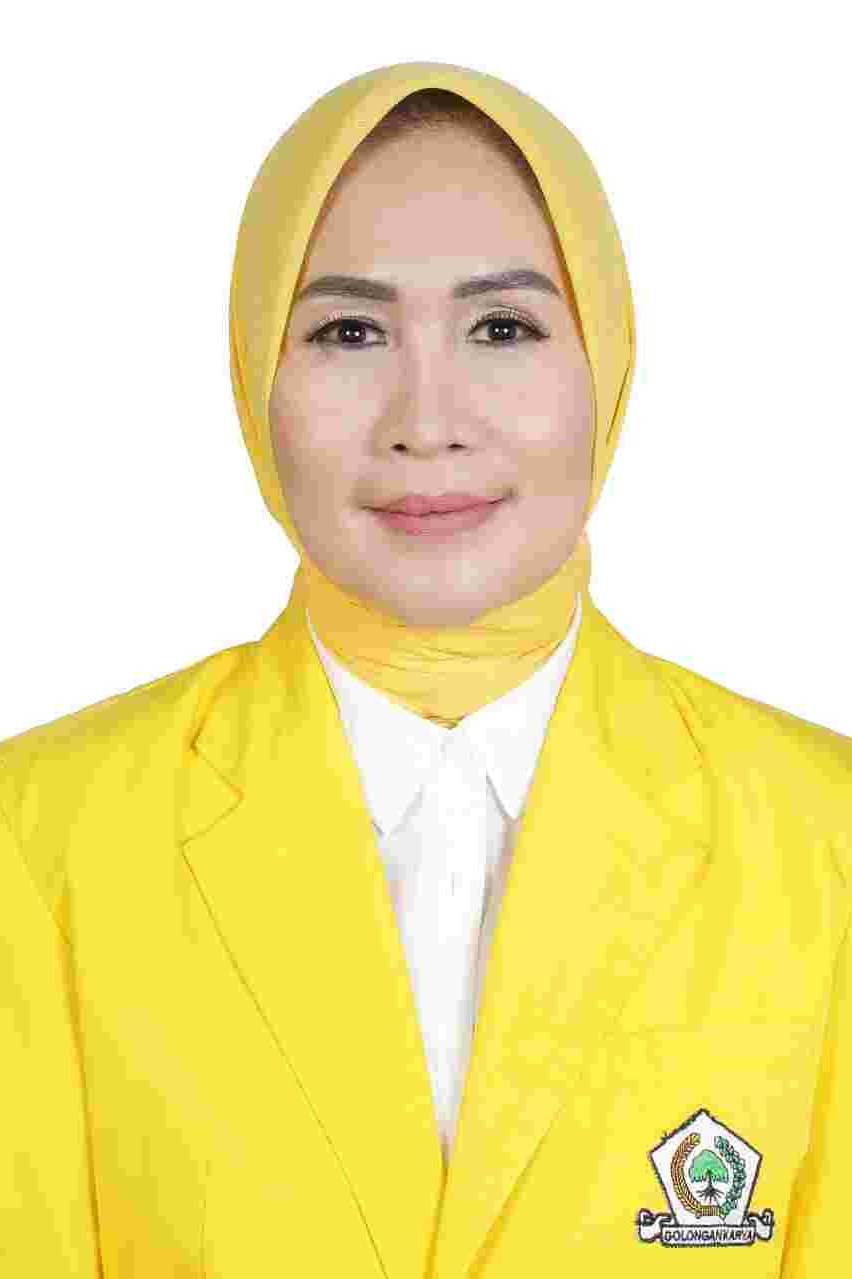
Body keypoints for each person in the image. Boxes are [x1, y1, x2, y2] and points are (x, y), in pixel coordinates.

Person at [0, 60, 848, 1278]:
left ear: (607, 358)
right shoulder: (40, 841)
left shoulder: (825, 839)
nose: (426, 420)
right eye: (348, 331)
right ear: (254, 370)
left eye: (502, 328)